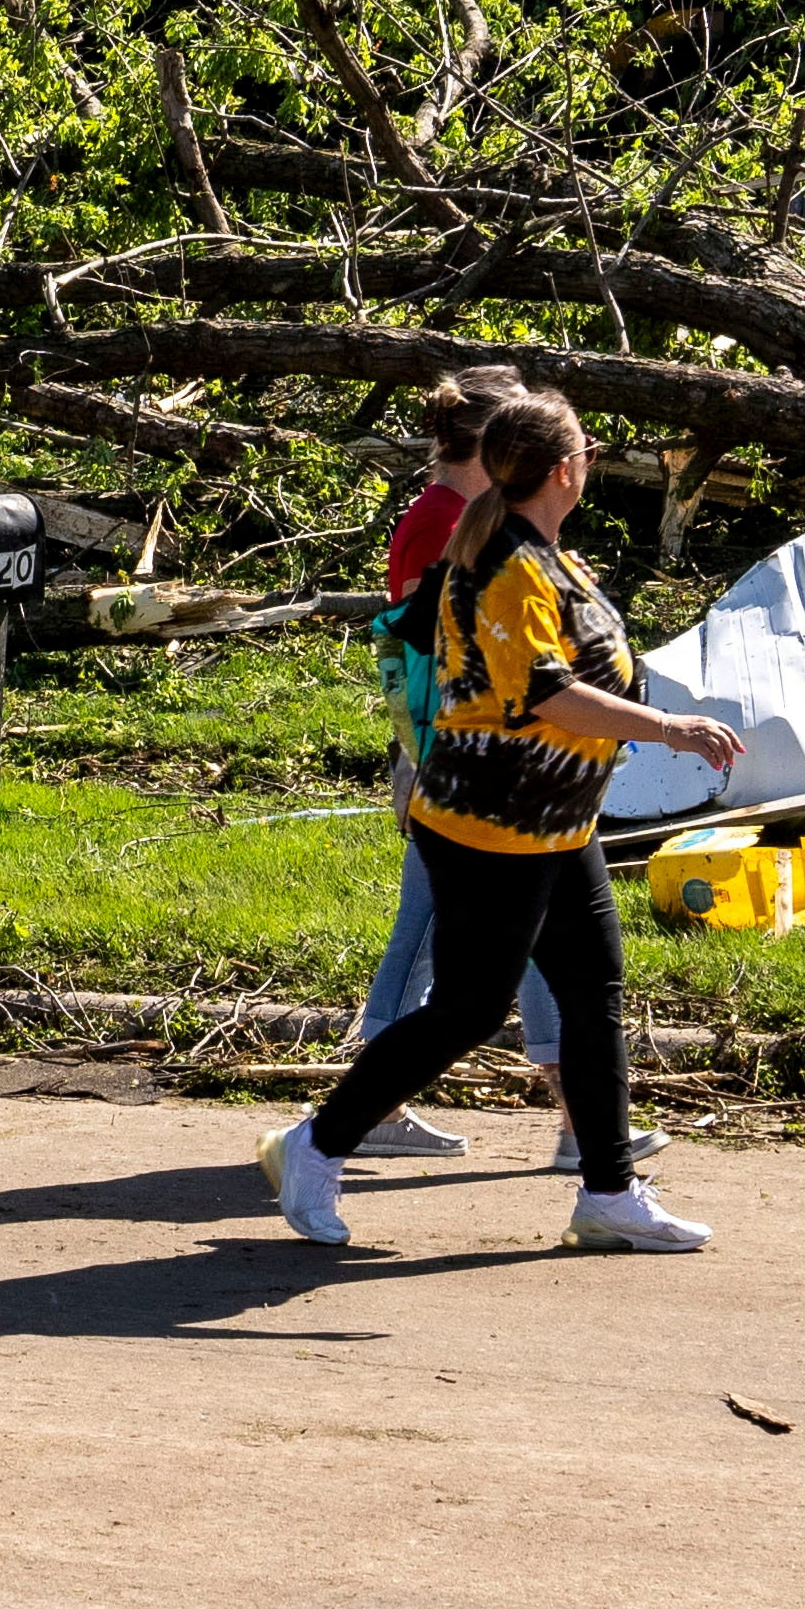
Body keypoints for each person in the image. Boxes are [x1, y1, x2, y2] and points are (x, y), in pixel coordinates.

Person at [279, 386, 732, 1261]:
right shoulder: (510, 564)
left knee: (593, 996)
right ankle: (319, 1144)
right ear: (566, 468)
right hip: (491, 829)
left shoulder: (543, 551)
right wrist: (668, 728)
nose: (591, 462)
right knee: (467, 1010)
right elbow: (544, 695)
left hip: (558, 825)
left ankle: (609, 1193)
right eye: (587, 451)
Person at [338, 367, 571, 1159]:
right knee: (431, 930)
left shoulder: (451, 513)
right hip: (460, 762)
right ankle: (371, 1107)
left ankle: (581, 1118)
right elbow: (452, 653)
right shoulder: (448, 523)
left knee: (541, 930)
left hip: (478, 758)